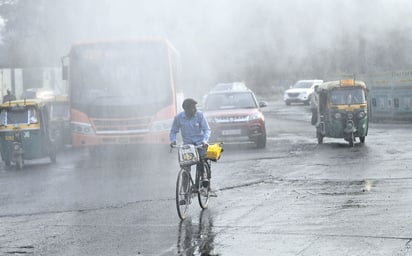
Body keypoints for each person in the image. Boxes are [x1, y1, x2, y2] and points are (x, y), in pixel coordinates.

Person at [169, 98, 211, 201]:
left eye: (195, 107)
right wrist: (173, 140)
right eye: (193, 108)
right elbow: (173, 131)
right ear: (186, 109)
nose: (195, 109)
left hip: (200, 144)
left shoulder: (200, 115)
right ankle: (186, 195)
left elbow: (207, 130)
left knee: (202, 160)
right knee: (185, 169)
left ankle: (204, 178)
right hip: (187, 146)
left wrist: (205, 141)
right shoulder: (179, 118)